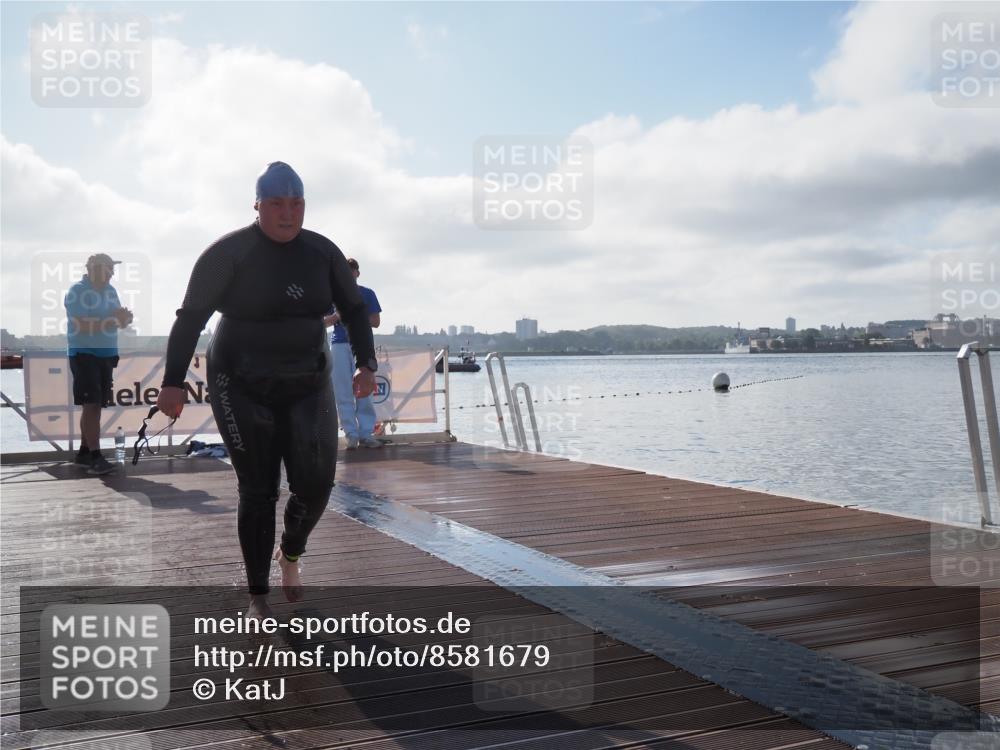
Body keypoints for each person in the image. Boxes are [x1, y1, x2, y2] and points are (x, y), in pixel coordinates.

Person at [155, 161, 377, 619]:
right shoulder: (227, 255)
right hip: (239, 381)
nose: (287, 213)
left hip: (308, 379)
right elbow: (190, 320)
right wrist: (172, 383)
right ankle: (258, 595)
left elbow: (354, 311)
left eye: (296, 203)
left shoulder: (322, 253)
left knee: (316, 486)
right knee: (258, 490)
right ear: (257, 205)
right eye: (277, 203)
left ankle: (290, 554)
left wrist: (366, 364)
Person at [64, 253, 134, 475]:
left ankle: (85, 453)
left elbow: (118, 321)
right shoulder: (77, 291)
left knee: (94, 405)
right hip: (84, 353)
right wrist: (113, 321)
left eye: (113, 269)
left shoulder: (111, 291)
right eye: (108, 268)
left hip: (107, 353)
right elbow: (81, 325)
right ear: (94, 269)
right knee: (92, 404)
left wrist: (125, 318)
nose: (112, 273)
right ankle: (95, 456)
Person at [323, 258, 382, 449]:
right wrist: (339, 316)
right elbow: (322, 322)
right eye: (344, 271)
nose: (348, 275)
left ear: (357, 273)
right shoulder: (331, 296)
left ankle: (366, 433)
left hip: (363, 346)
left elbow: (375, 321)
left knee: (365, 389)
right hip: (339, 344)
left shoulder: (367, 293)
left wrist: (355, 314)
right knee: (342, 391)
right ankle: (351, 433)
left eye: (352, 271)